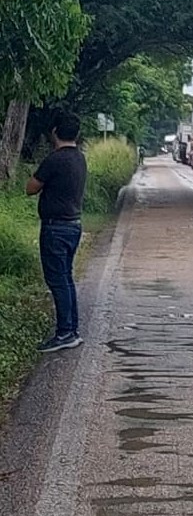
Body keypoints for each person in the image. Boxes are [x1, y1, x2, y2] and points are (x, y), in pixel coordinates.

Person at [25, 112, 88, 353]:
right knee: (66, 278)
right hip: (73, 224)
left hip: (55, 227)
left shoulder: (54, 159)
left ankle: (64, 333)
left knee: (57, 280)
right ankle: (71, 330)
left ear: (54, 132)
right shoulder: (79, 158)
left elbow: (31, 188)